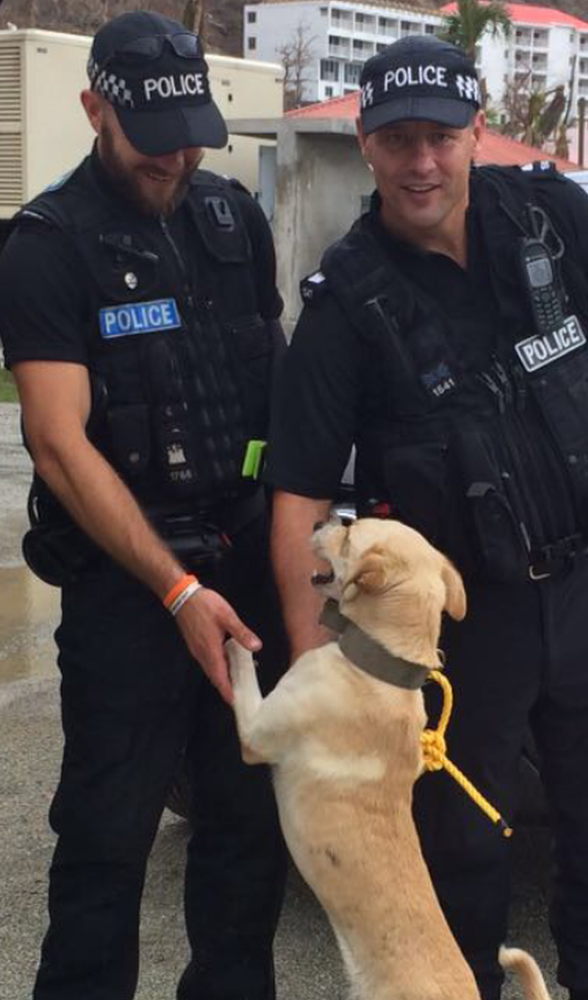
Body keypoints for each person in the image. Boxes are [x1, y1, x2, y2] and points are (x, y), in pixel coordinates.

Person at [267, 35, 588, 1000]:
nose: (421, 161)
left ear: (477, 133)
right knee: (457, 864)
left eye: (440, 136)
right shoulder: (344, 304)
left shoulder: (553, 215)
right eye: (398, 141)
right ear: (367, 144)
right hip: (467, 630)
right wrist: (315, 672)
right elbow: (298, 494)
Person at [0, 12, 288, 1000]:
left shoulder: (230, 220)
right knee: (107, 843)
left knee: (248, 837)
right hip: (131, 595)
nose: (176, 159)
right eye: (153, 140)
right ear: (95, 109)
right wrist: (174, 590)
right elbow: (56, 440)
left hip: (244, 567)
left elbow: (278, 392)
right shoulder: (47, 245)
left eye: (191, 137)